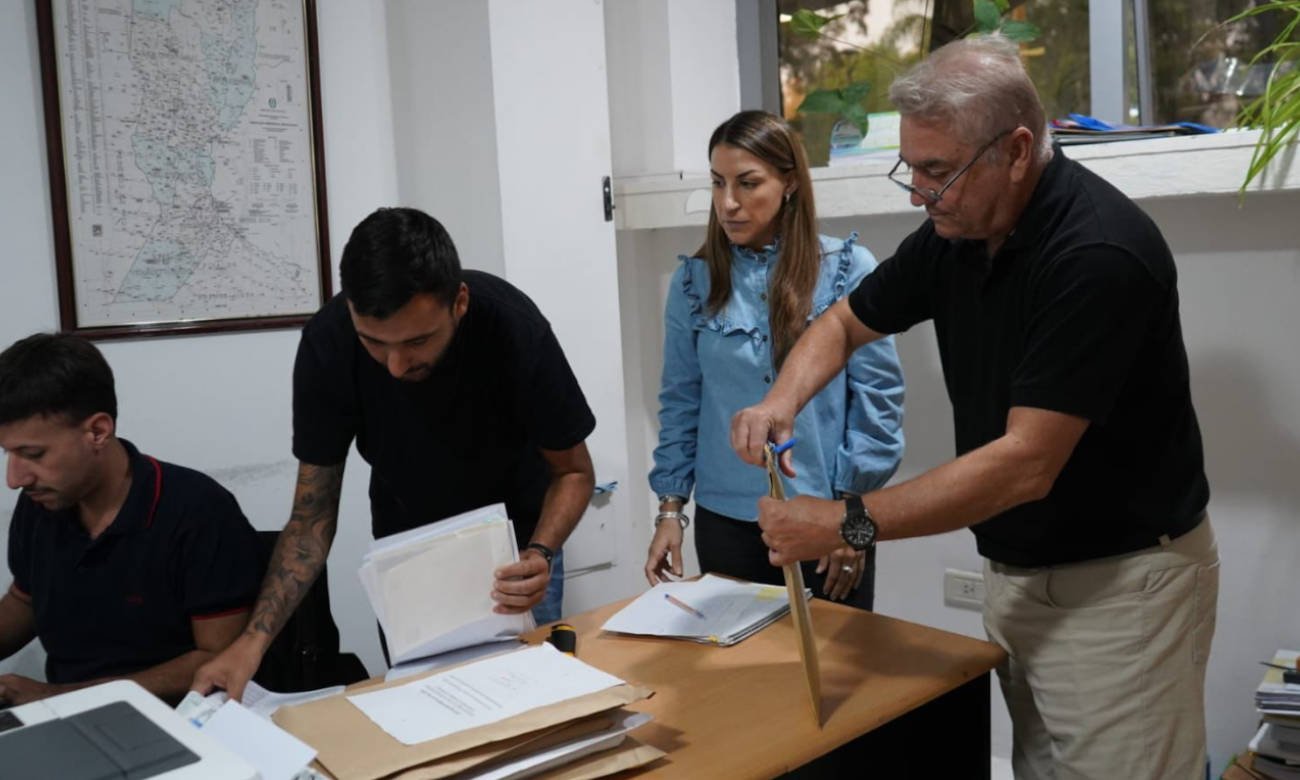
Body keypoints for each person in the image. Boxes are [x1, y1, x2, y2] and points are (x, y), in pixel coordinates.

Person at [731, 36, 1218, 779]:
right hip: (1019, 574)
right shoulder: (958, 231)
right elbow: (843, 323)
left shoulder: (1097, 255)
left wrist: (845, 520)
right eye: (913, 168)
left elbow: (1024, 465)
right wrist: (780, 399)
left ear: (1017, 150)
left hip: (1121, 590)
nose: (921, 194)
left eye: (937, 171)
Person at [194, 207, 596, 699]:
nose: (396, 366)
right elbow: (310, 520)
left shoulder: (513, 327)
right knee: (428, 705)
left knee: (526, 703)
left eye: (418, 342)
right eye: (374, 343)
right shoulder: (328, 345)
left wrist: (541, 552)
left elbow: (573, 472)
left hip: (517, 546)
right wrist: (251, 645)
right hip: (408, 552)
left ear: (460, 303)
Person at [645, 110, 904, 610]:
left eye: (747, 183)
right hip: (725, 525)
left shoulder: (847, 270)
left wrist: (851, 517)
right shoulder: (693, 284)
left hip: (825, 522)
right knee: (742, 680)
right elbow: (680, 402)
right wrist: (671, 511)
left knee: (835, 675)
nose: (728, 203)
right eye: (718, 183)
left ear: (788, 183)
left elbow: (879, 402)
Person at [0, 333, 262, 705]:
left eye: (33, 454)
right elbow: (23, 601)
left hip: (178, 722)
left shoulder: (198, 511)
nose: (15, 479)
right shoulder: (41, 504)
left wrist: (59, 698)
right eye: (8, 454)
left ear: (98, 432)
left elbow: (215, 660)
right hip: (66, 717)